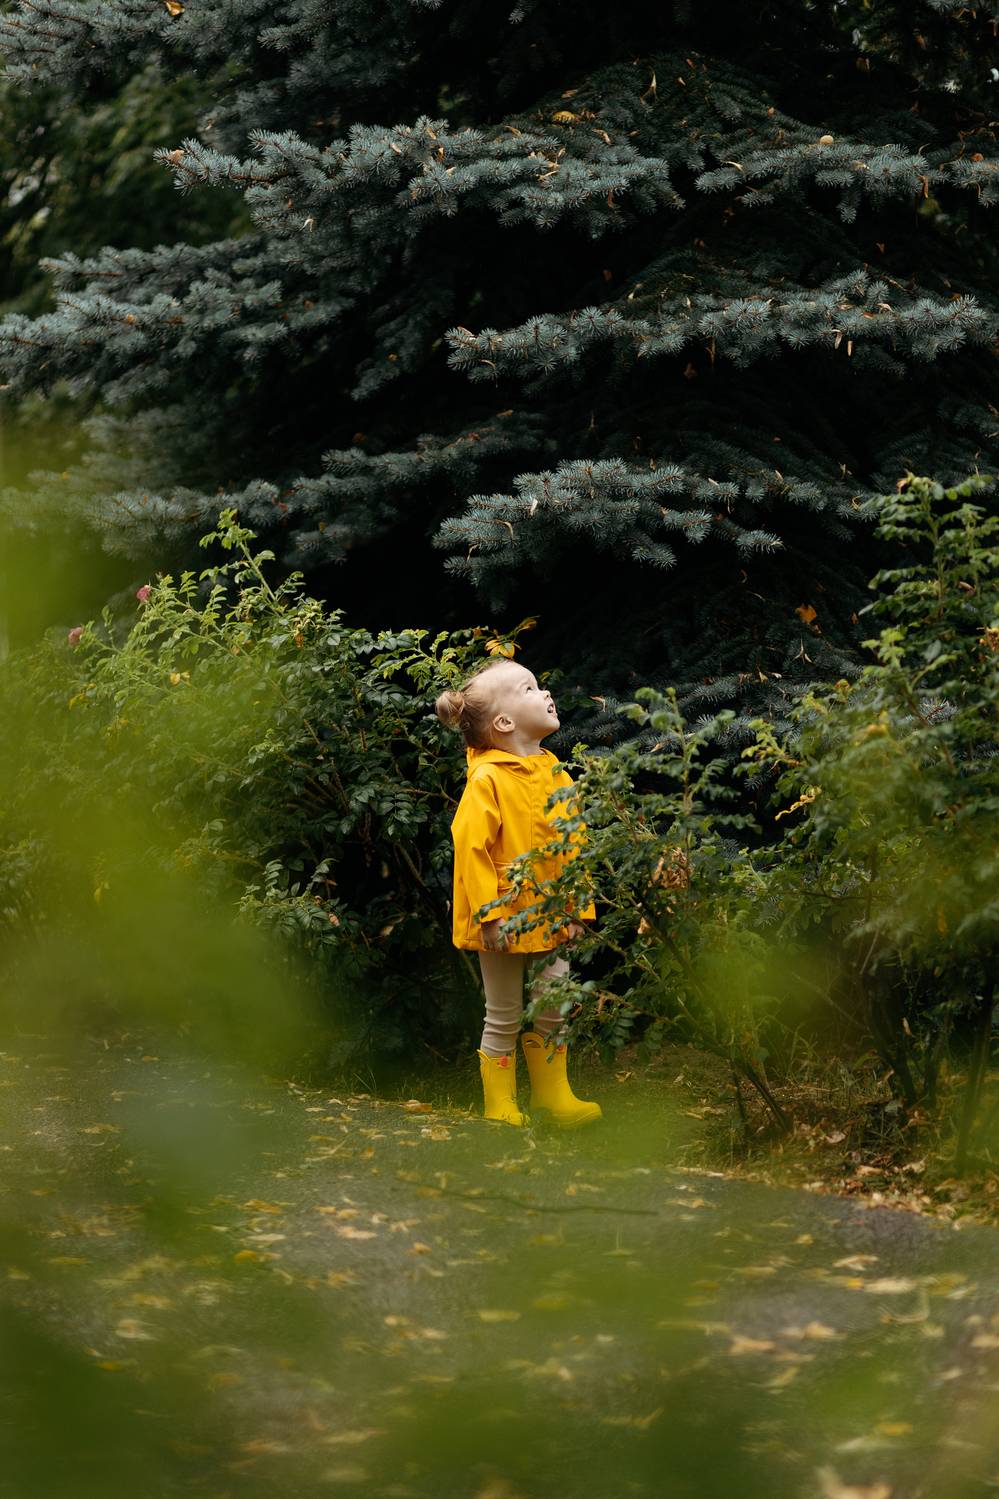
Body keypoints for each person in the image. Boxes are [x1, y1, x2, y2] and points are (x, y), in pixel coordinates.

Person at [435, 658, 603, 1128]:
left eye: (539, 685)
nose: (544, 693)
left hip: (552, 910)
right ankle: (500, 1105)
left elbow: (574, 844)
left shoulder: (557, 774)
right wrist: (489, 915)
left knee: (555, 1003)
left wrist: (578, 908)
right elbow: (471, 849)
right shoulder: (487, 779)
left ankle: (553, 1097)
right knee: (504, 1013)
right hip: (503, 918)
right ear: (505, 723)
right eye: (529, 689)